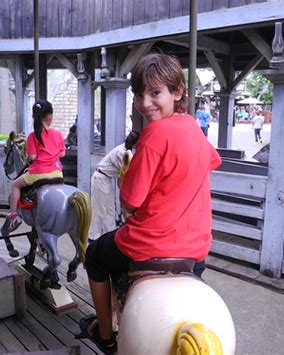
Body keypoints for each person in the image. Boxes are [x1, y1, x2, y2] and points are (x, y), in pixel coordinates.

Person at [80, 53, 221, 353]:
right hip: (195, 250)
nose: (145, 103)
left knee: (94, 254)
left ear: (178, 91)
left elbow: (130, 202)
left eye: (155, 93)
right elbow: (209, 162)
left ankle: (105, 334)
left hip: (148, 244)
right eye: (139, 94)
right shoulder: (196, 131)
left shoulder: (154, 134)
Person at [0, 100, 66, 236]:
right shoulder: (57, 134)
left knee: (15, 185)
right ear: (49, 117)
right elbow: (63, 153)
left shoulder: (32, 136)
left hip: (40, 173)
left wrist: (28, 158)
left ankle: (13, 215)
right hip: (58, 172)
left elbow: (32, 157)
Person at [89, 131, 140, 240]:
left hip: (107, 179)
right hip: (100, 178)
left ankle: (110, 235)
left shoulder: (125, 149)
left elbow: (121, 175)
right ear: (137, 143)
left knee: (110, 210)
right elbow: (126, 174)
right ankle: (93, 237)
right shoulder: (124, 153)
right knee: (99, 210)